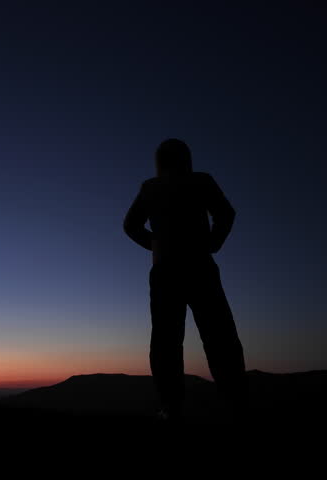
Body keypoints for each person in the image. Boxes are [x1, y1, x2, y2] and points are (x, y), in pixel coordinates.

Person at [123, 138, 248, 424]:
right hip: (199, 266)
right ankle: (236, 403)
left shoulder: (150, 188)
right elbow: (226, 214)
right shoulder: (201, 181)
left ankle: (171, 407)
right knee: (220, 338)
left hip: (166, 270)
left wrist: (155, 244)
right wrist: (213, 242)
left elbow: (130, 225)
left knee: (167, 341)